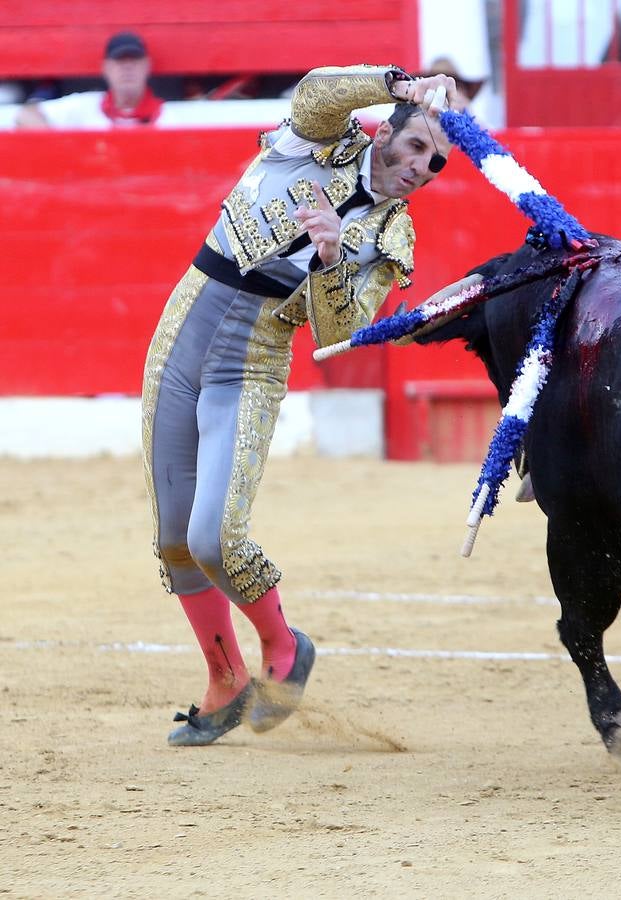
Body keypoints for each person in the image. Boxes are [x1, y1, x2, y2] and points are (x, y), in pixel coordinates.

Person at [141, 64, 462, 746]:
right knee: (173, 539)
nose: (417, 168)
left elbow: (342, 331)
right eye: (411, 148)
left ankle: (283, 646)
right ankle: (224, 677)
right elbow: (318, 88)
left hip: (251, 362)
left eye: (432, 164)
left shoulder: (390, 239)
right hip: (181, 333)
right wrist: (396, 81)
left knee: (213, 539)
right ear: (387, 130)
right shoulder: (321, 139)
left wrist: (327, 260)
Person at [15, 31, 164, 129]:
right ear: (106, 68)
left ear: (147, 65)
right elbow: (26, 115)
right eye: (120, 61)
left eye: (134, 60)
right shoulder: (84, 107)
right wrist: (63, 150)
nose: (127, 67)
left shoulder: (170, 115)